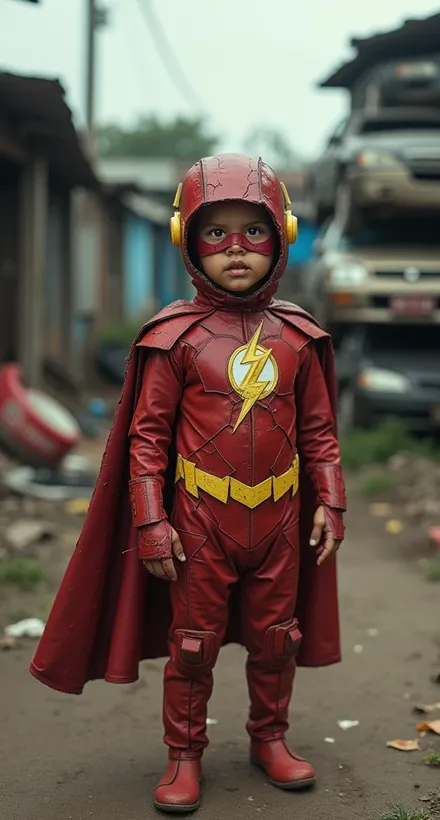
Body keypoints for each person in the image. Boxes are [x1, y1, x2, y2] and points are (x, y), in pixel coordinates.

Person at [30, 154, 346, 814]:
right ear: (187, 240)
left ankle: (271, 738)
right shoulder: (174, 337)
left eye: (255, 233)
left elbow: (319, 433)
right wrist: (150, 520)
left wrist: (332, 503)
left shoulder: (298, 336)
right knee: (193, 646)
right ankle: (184, 754)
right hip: (199, 521)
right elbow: (145, 440)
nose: (237, 250)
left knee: (276, 638)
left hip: (281, 520)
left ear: (283, 233)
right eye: (217, 233)